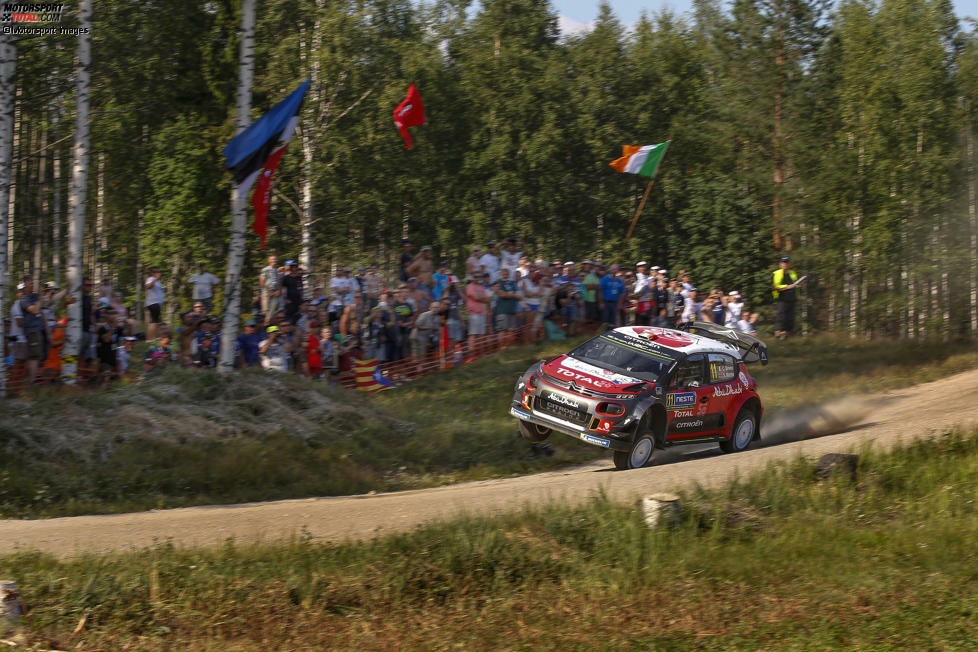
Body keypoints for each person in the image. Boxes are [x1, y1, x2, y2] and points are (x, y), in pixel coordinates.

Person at [18, 277, 48, 384]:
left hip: (39, 330)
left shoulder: (35, 296)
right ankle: (31, 382)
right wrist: (40, 297)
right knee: (34, 356)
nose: (32, 285)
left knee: (39, 355)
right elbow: (35, 310)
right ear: (25, 286)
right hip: (32, 331)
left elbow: (48, 302)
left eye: (33, 283)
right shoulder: (24, 299)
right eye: (30, 284)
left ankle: (33, 380)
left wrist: (64, 291)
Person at [772, 256, 804, 339]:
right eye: (783, 262)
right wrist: (786, 287)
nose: (785, 264)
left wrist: (799, 285)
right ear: (780, 264)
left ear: (789, 264)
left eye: (786, 262)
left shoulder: (793, 273)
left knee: (790, 319)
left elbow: (795, 285)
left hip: (792, 299)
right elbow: (774, 287)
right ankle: (778, 336)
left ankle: (785, 338)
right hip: (781, 299)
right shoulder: (776, 273)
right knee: (781, 318)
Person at [466, 274, 491, 346]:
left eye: (478, 277)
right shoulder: (470, 286)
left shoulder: (482, 287)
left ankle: (480, 354)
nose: (477, 278)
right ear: (472, 278)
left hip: (482, 313)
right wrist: (483, 299)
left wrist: (481, 298)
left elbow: (488, 299)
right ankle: (471, 354)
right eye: (475, 277)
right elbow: (476, 297)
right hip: (473, 314)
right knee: (473, 335)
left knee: (481, 335)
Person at [144, 266, 165, 341]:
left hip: (157, 303)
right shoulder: (150, 279)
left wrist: (163, 289)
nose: (159, 273)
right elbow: (147, 286)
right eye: (157, 272)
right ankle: (150, 339)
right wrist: (155, 279)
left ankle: (152, 338)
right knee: (154, 321)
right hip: (153, 303)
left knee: (155, 320)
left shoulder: (159, 282)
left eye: (159, 271)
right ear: (153, 273)